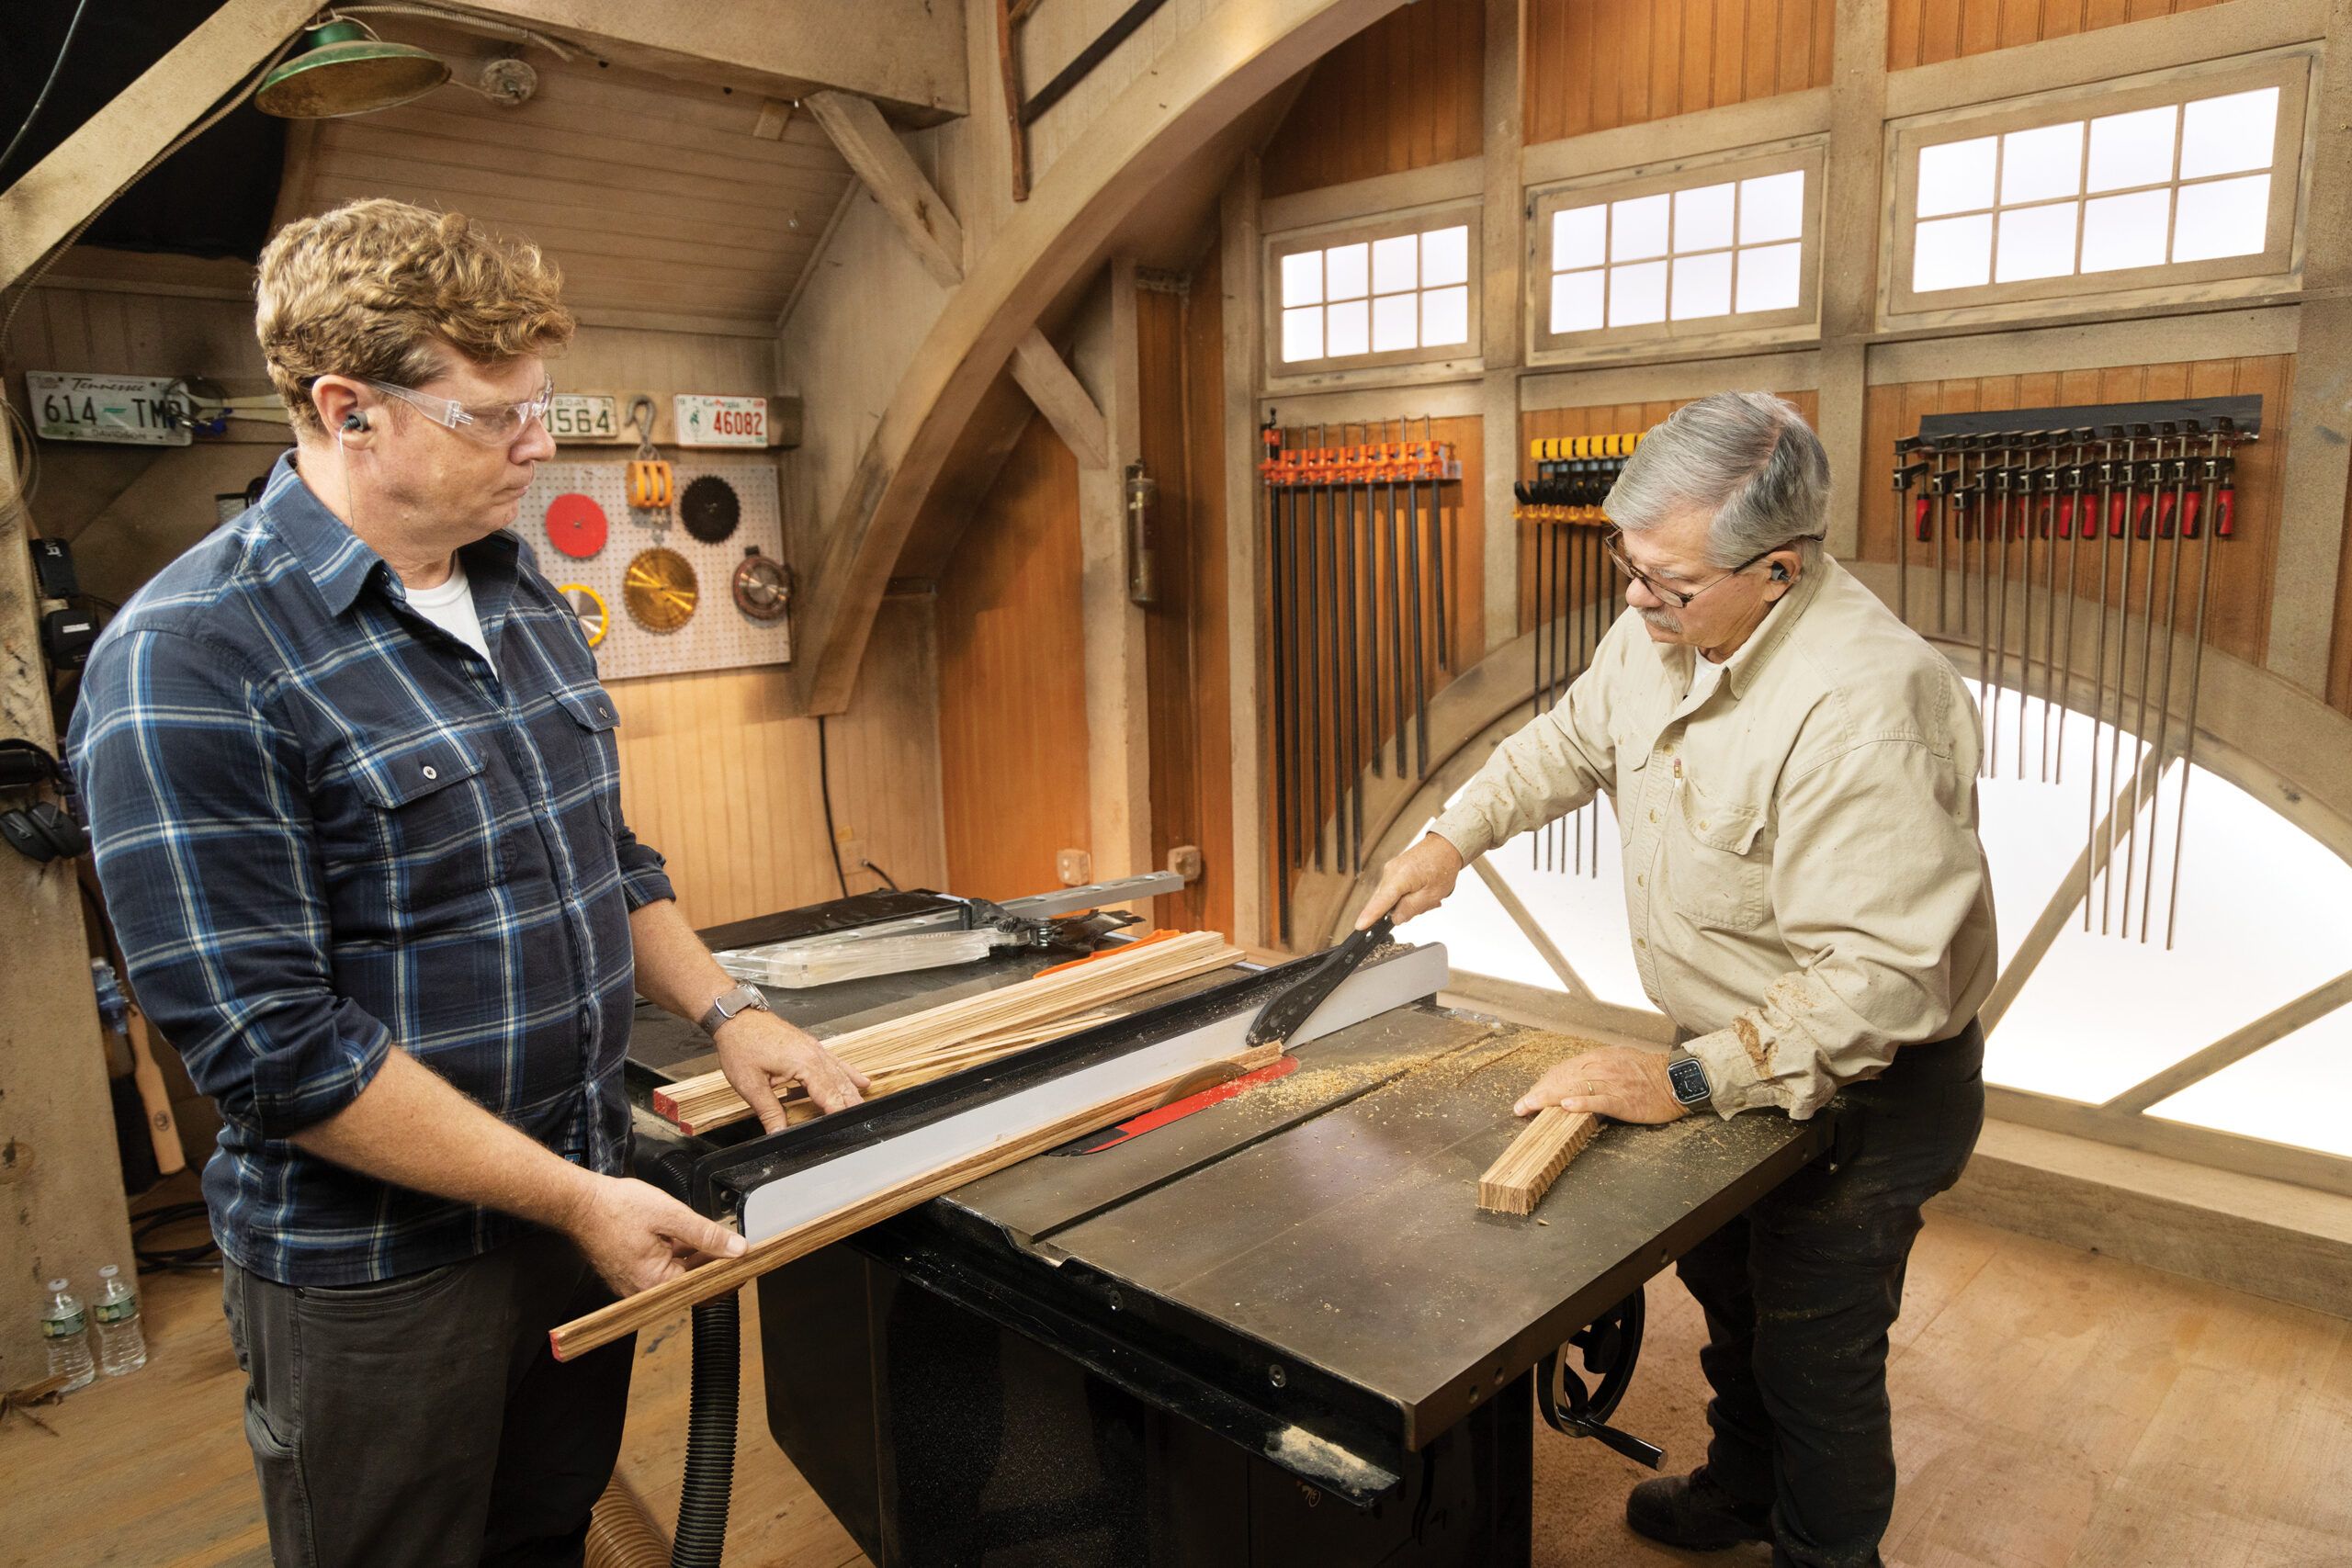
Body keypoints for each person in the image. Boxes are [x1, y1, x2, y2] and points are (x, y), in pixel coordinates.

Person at [69, 197, 867, 1568]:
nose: (539, 442)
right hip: (383, 1273)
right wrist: (572, 1197)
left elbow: (602, 855)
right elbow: (274, 1047)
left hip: (574, 1198)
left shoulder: (516, 594)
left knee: (542, 1532)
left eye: (537, 402)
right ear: (347, 409)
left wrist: (733, 1009)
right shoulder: (187, 662)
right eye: (494, 413)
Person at [1355, 392, 1995, 1568]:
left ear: (1781, 570)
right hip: (1728, 1045)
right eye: (1629, 565)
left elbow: (1876, 981)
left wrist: (1690, 1082)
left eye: (1670, 583)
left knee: (1816, 1352)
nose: (1637, 601)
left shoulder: (1868, 707)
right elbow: (1567, 740)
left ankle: (1828, 1556)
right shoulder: (1662, 627)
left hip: (1864, 1085)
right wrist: (1451, 837)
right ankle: (1745, 1494)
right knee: (1735, 1301)